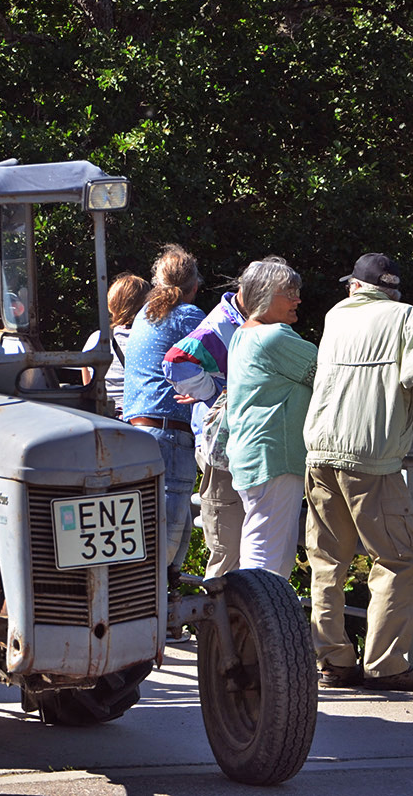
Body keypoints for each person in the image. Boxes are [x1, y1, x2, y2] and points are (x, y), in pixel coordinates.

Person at [303, 252, 413, 691]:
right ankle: (387, 665)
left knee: (326, 560)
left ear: (357, 286)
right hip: (370, 457)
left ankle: (333, 659)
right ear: (391, 289)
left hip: (319, 449)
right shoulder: (409, 318)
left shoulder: (335, 315)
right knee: (398, 559)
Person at [223, 258, 316, 579]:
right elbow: (334, 374)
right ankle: (258, 627)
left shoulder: (242, 335)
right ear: (263, 294)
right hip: (273, 458)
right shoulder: (274, 337)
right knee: (267, 559)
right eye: (289, 291)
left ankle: (255, 624)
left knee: (263, 546)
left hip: (253, 456)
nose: (297, 299)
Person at [120, 244, 205, 576]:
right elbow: (226, 358)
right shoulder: (188, 316)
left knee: (156, 537)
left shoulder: (144, 314)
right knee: (162, 555)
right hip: (170, 435)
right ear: (194, 287)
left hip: (139, 433)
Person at [161, 273, 248, 578]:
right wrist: (212, 393)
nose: (297, 299)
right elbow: (175, 360)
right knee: (226, 547)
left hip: (228, 444)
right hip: (219, 447)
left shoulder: (149, 314)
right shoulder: (218, 325)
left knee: (234, 545)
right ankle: (218, 623)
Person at [82, 272, 152, 417]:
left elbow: (88, 388)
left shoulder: (96, 340)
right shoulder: (151, 340)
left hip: (106, 418)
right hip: (139, 418)